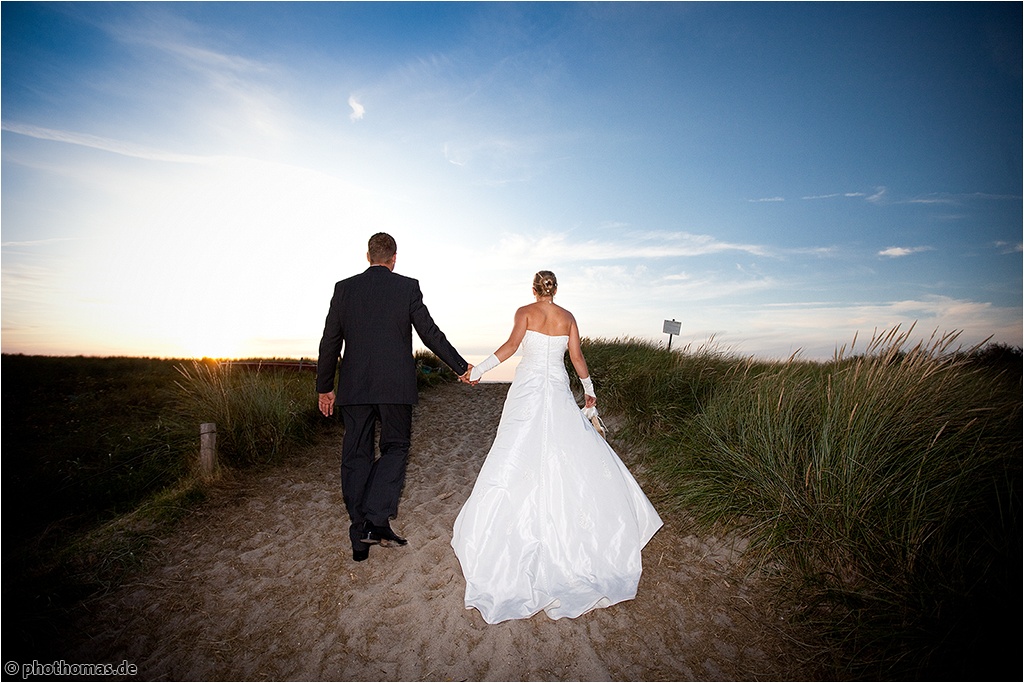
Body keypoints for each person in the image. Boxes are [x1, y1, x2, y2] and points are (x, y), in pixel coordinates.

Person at [451, 270, 663, 624]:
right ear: (555, 290)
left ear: (534, 290)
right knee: (568, 449)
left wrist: (478, 371)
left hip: (529, 390)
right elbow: (577, 358)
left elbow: (510, 348)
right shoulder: (568, 318)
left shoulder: (525, 312)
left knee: (516, 449)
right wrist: (589, 389)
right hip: (556, 389)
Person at [317, 232, 472, 563]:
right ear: (394, 257)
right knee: (395, 448)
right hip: (395, 387)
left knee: (356, 454)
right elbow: (430, 334)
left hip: (355, 388)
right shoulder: (407, 288)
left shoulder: (344, 290)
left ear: (368, 255)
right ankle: (374, 520)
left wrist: (324, 386)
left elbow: (329, 341)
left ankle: (364, 530)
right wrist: (460, 366)